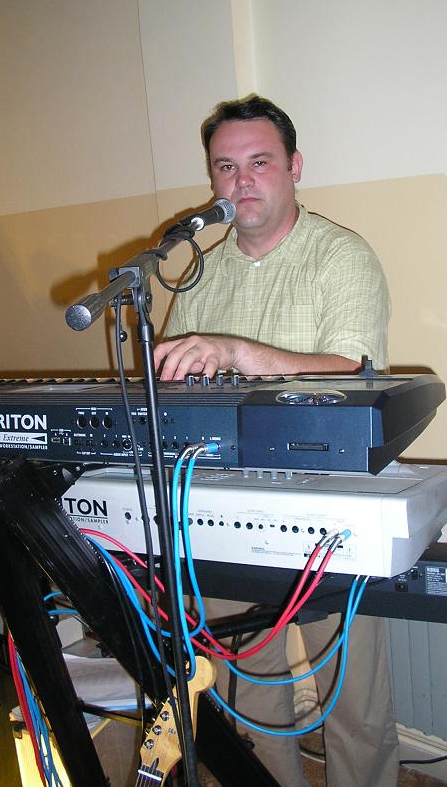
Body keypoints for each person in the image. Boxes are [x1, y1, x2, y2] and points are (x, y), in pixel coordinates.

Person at [154, 95, 398, 787]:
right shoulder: (199, 272)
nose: (241, 181)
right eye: (224, 167)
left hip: (332, 514)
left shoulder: (341, 256)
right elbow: (176, 386)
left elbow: (354, 372)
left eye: (259, 163)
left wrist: (236, 352)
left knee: (354, 706)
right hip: (223, 512)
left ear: (294, 167)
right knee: (246, 696)